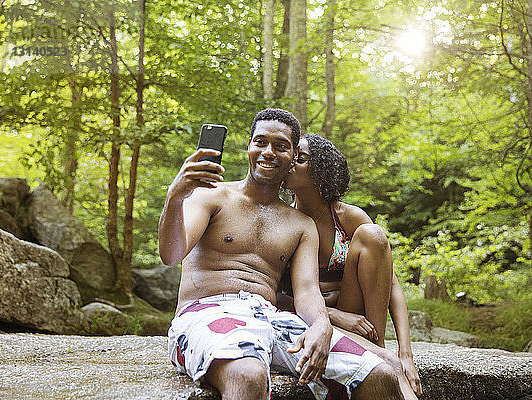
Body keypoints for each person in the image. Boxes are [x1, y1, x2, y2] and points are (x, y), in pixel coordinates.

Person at [158, 109, 404, 400]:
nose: (268, 152)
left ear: (292, 156)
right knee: (249, 375)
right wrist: (175, 196)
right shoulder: (211, 196)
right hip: (208, 311)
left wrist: (321, 326)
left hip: (274, 319)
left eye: (281, 146)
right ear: (249, 145)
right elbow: (171, 254)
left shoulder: (301, 224)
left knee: (379, 374)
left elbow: (307, 292)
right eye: (260, 142)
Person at [279, 134, 422, 397]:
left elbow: (391, 285)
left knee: (373, 234)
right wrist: (332, 316)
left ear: (320, 171)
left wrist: (406, 354)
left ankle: (378, 347)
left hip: (360, 319)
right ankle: (379, 358)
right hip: (309, 320)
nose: (290, 163)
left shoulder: (348, 217)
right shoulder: (283, 221)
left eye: (300, 159)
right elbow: (274, 295)